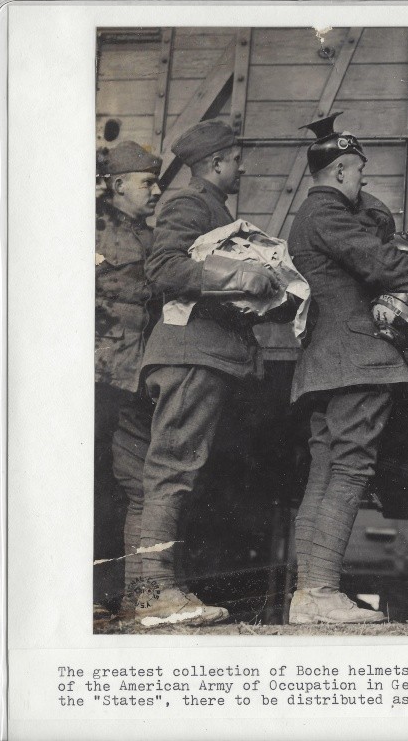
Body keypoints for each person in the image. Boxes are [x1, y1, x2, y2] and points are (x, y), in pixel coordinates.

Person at [287, 113, 408, 624]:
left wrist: (371, 210)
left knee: (325, 472)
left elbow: (373, 237)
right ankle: (319, 591)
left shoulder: (319, 215)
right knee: (351, 469)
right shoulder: (330, 215)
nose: (364, 181)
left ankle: (307, 593)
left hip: (327, 360)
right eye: (358, 171)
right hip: (357, 358)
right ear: (339, 171)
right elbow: (378, 261)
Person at [135, 120, 280, 626]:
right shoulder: (190, 204)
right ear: (217, 163)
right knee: (172, 470)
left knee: (181, 471)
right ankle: (153, 595)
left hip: (205, 357)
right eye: (235, 158)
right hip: (190, 356)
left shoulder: (212, 209)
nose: (241, 166)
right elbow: (164, 268)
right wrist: (241, 275)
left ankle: (158, 592)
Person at [93, 141, 162, 620]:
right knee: (91, 485)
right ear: (119, 186)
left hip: (132, 379)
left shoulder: (149, 236)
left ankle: (122, 597)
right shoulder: (89, 229)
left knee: (130, 487)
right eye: (148, 183)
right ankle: (89, 597)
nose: (156, 191)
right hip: (94, 378)